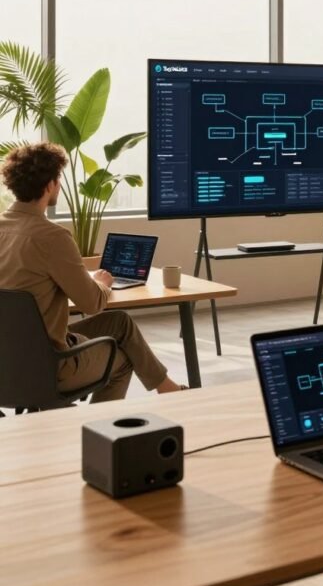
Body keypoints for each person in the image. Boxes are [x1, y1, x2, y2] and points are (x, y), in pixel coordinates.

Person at [0, 142, 185, 401]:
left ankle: (167, 388)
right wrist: (102, 283)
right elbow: (92, 303)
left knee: (119, 322)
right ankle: (98, 425)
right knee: (122, 360)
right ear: (50, 184)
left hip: (5, 363)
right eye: (59, 179)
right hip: (48, 367)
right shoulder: (52, 237)